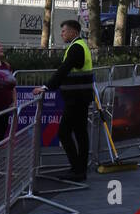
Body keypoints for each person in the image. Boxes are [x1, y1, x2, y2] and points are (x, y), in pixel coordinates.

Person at [32, 19, 94, 182]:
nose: (62, 34)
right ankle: (79, 169)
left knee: (64, 133)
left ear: (74, 32)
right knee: (81, 133)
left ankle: (77, 169)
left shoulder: (76, 48)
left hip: (76, 99)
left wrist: (46, 87)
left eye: (64, 31)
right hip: (81, 97)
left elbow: (63, 70)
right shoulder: (81, 46)